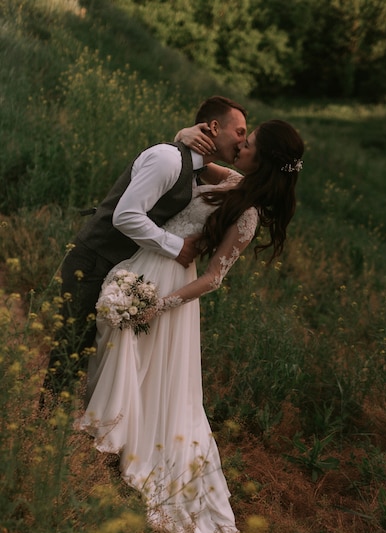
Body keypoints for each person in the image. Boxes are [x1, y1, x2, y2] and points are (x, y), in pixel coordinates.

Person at [75, 119, 304, 533]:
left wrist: (159, 307)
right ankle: (105, 427)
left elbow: (212, 279)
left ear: (260, 158)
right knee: (115, 349)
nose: (242, 144)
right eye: (244, 136)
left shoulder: (248, 214)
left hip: (173, 290)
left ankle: (113, 435)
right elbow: (196, 164)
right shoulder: (231, 179)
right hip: (144, 262)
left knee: (141, 363)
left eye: (250, 142)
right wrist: (180, 137)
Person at [41, 95, 247, 402]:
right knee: (73, 346)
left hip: (121, 265)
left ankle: (80, 424)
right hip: (94, 258)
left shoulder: (193, 167)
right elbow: (126, 215)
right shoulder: (168, 159)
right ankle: (46, 426)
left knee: (99, 352)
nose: (243, 140)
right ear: (215, 127)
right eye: (240, 131)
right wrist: (176, 247)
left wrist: (182, 134)